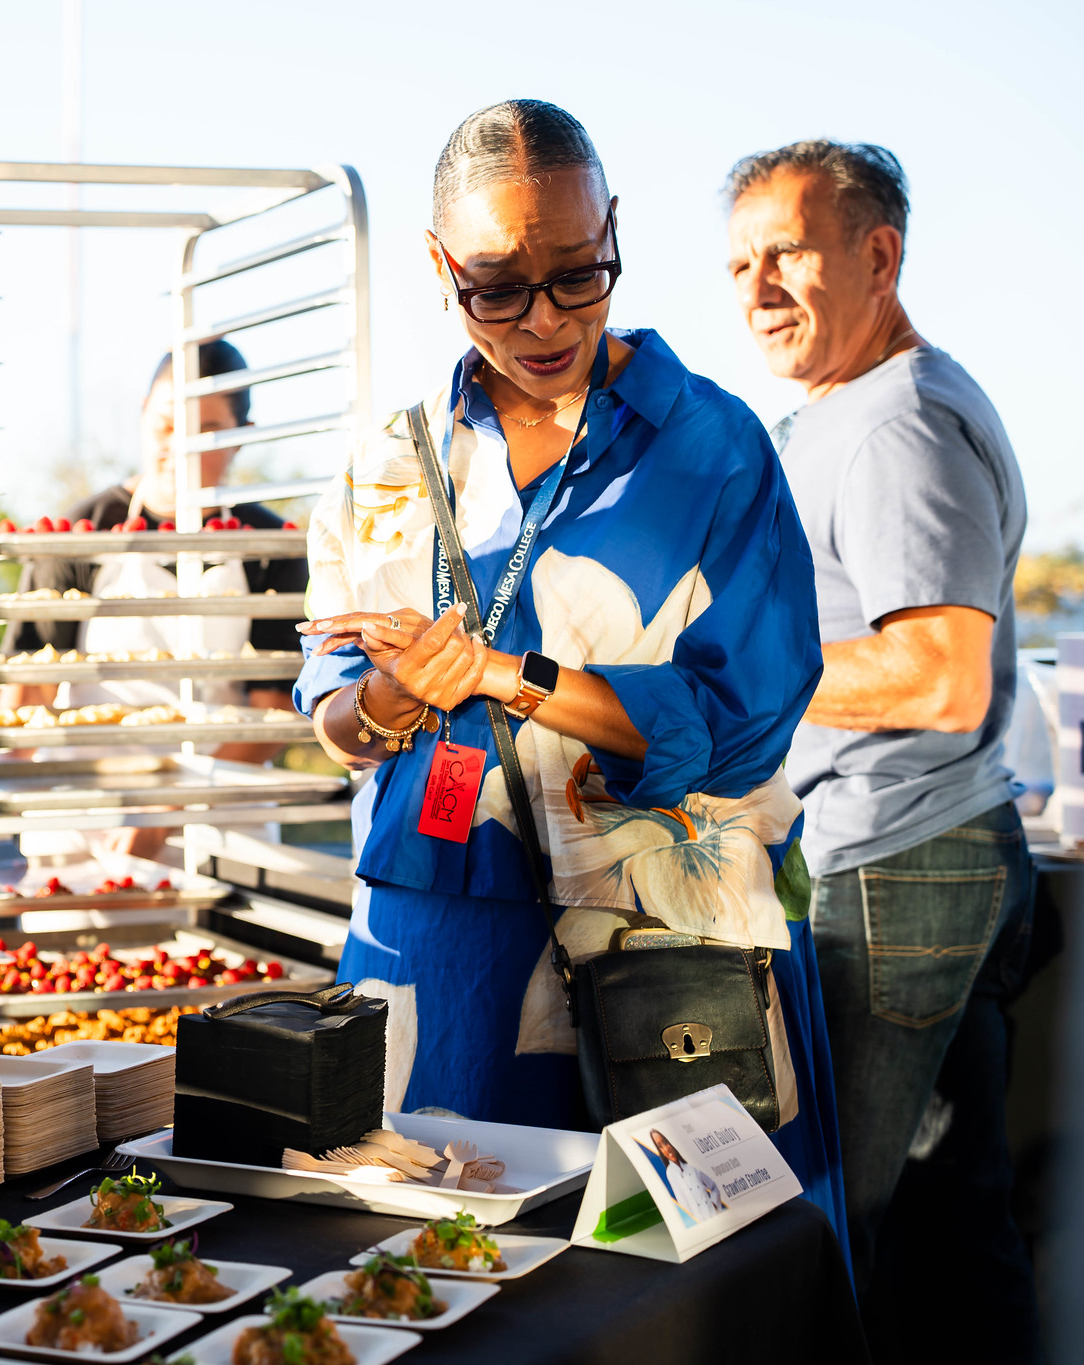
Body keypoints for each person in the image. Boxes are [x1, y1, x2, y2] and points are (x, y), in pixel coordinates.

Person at [294, 100, 847, 1251]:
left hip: (665, 947)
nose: (544, 319)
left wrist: (509, 675)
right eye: (496, 286)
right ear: (439, 265)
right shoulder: (384, 464)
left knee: (686, 1277)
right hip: (439, 947)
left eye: (576, 275)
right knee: (439, 1261)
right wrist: (393, 700)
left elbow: (745, 726)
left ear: (612, 235)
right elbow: (335, 719)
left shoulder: (712, 446)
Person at [726, 140, 1036, 1349]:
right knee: (947, 1229)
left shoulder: (894, 424)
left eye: (785, 254)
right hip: (925, 855)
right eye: (738, 262)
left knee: (843, 1227)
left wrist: (730, 686)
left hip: (902, 868)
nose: (755, 287)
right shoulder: (845, 409)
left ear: (878, 255)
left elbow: (939, 675)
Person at [0, 341, 309, 858]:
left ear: (242, 438)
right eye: (167, 424)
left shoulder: (268, 543)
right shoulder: (80, 532)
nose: (180, 444)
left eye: (208, 430)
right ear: (142, 416)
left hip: (223, 820)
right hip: (84, 817)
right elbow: (29, 696)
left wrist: (171, 811)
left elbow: (274, 711)